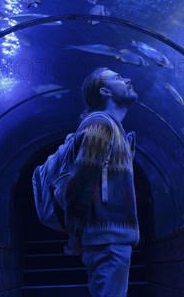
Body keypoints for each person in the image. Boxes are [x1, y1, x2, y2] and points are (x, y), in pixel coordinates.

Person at [65, 67, 140, 297]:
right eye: (118, 77)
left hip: (112, 239)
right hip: (106, 240)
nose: (127, 79)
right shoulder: (100, 124)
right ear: (105, 91)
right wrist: (76, 234)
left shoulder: (115, 128)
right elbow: (80, 182)